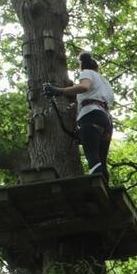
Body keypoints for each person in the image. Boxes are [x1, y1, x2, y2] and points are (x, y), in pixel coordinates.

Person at [43, 51, 115, 180]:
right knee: (102, 161)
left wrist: (59, 91)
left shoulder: (86, 73)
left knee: (93, 157)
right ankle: (107, 190)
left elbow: (84, 87)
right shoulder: (105, 82)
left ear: (82, 67)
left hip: (90, 115)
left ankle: (97, 187)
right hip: (106, 120)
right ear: (96, 67)